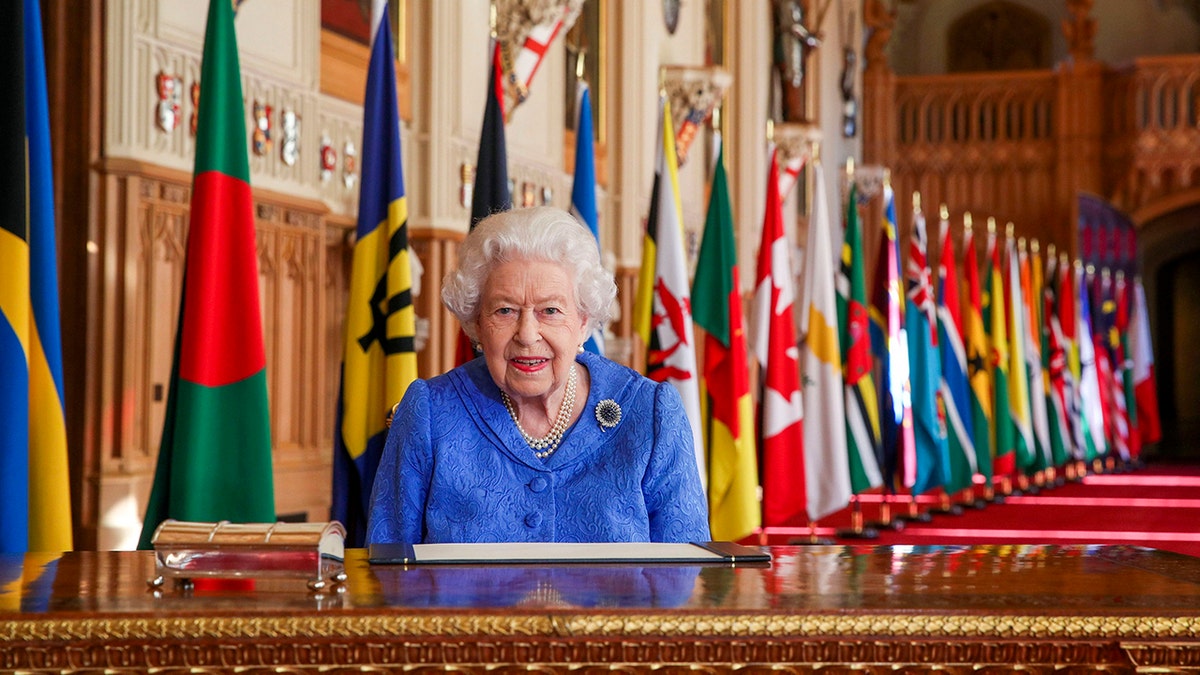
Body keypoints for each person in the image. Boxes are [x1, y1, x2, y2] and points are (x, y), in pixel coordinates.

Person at [365, 206, 710, 544]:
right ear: (476, 323)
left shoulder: (650, 414)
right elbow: (386, 570)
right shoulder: (431, 413)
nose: (527, 334)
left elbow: (688, 577)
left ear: (583, 321)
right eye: (505, 310)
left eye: (550, 311)